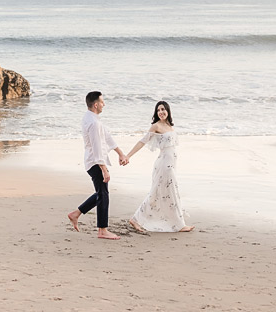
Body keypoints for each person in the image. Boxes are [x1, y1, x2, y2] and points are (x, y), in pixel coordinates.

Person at [68, 91, 129, 239]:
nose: (104, 104)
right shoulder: (94, 123)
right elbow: (96, 148)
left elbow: (107, 136)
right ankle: (102, 230)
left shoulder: (91, 118)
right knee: (103, 195)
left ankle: (76, 214)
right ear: (96, 105)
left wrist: (120, 153)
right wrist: (104, 169)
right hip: (95, 162)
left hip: (93, 161)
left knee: (101, 193)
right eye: (102, 102)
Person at [126, 100, 194, 233]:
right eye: (158, 110)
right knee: (160, 192)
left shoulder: (169, 126)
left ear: (168, 111)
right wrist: (128, 156)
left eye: (163, 109)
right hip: (164, 165)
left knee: (166, 193)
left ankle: (176, 223)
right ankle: (178, 224)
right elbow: (142, 142)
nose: (161, 112)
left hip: (171, 164)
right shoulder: (156, 126)